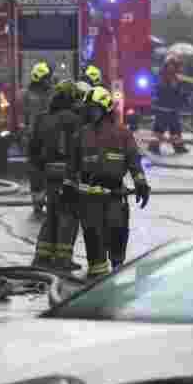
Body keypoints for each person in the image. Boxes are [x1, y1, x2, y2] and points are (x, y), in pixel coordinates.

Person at [67, 86, 151, 279]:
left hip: (115, 197)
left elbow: (134, 162)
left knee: (118, 237)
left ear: (105, 108)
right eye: (87, 109)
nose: (89, 113)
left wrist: (141, 184)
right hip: (89, 200)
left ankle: (116, 278)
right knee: (93, 240)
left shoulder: (122, 134)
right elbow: (72, 166)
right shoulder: (81, 134)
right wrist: (67, 187)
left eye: (93, 109)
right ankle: (96, 284)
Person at [30, 80, 83, 272]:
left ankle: (42, 257)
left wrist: (39, 175)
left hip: (49, 173)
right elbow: (80, 149)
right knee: (68, 217)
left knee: (51, 215)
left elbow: (33, 149)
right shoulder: (74, 119)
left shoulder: (42, 118)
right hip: (68, 174)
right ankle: (62, 260)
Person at [23, 61, 54, 216]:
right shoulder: (28, 94)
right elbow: (24, 116)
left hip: (46, 137)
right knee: (36, 172)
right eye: (46, 78)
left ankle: (46, 199)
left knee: (49, 169)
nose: (48, 80)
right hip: (34, 138)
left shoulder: (50, 93)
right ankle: (38, 201)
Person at [149, 54, 191, 155]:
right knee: (158, 130)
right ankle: (153, 146)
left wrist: (183, 95)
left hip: (173, 109)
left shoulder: (178, 77)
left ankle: (179, 147)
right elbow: (158, 90)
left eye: (173, 65)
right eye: (169, 65)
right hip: (162, 109)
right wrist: (169, 85)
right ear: (166, 65)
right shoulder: (161, 76)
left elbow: (181, 92)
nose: (171, 67)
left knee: (176, 130)